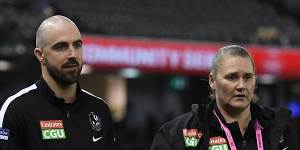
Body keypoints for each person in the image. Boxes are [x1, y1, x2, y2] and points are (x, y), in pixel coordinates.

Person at [150, 45, 300, 150]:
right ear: (212, 81)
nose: (241, 85)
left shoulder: (279, 130)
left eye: (248, 77)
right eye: (232, 77)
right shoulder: (179, 133)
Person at [0, 15, 116, 150]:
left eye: (77, 45)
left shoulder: (99, 109)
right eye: (61, 47)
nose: (72, 54)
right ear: (40, 55)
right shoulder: (16, 110)